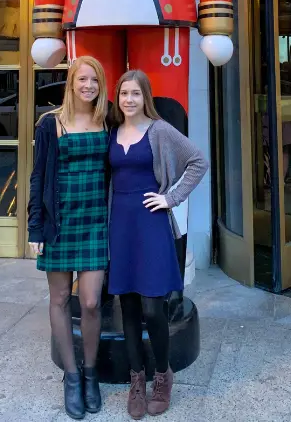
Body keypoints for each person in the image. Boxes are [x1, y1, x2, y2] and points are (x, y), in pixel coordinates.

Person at [108, 70, 208, 419]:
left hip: (150, 225)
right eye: (123, 94)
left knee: (153, 308)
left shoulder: (160, 130)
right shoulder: (112, 130)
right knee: (129, 309)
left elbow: (198, 161)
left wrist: (171, 198)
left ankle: (162, 375)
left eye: (135, 93)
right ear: (117, 98)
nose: (129, 100)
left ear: (145, 96)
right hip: (118, 227)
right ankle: (137, 380)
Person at [28, 56, 109, 420]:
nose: (88, 85)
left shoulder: (108, 121)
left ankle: (91, 373)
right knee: (60, 298)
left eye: (94, 80)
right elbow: (37, 177)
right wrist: (35, 227)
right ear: (71, 83)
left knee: (90, 302)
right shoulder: (50, 124)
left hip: (96, 223)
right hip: (59, 224)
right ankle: (72, 377)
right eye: (82, 79)